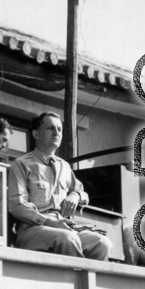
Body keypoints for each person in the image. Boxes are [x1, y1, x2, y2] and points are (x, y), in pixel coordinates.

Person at [8, 111, 112, 260]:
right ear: (36, 134)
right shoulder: (22, 164)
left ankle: (87, 281)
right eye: (50, 128)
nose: (56, 133)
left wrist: (75, 195)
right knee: (68, 238)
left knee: (102, 243)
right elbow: (17, 205)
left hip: (64, 227)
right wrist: (48, 221)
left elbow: (82, 192)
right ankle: (76, 281)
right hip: (33, 228)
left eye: (59, 129)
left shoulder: (64, 167)